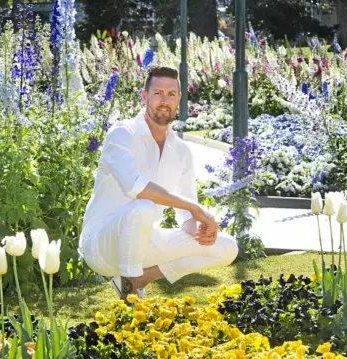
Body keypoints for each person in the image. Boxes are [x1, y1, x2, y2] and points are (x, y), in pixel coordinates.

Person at [79, 65, 238, 302]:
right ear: (145, 96)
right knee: (142, 207)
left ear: (179, 99)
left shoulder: (181, 151)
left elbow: (187, 221)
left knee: (227, 247)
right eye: (158, 93)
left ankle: (139, 279)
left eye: (171, 94)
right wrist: (194, 207)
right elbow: (136, 187)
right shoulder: (122, 133)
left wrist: (201, 230)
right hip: (102, 246)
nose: (165, 101)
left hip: (142, 243)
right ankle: (131, 299)